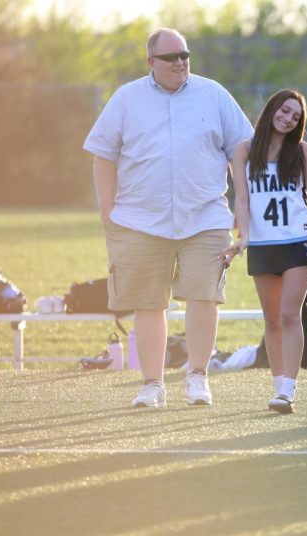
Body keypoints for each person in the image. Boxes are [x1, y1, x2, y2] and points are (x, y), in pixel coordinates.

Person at [83, 27, 254, 408]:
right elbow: (103, 155)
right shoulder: (127, 98)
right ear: (151, 62)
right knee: (148, 304)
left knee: (204, 297)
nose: (180, 63)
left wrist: (243, 210)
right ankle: (152, 384)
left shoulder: (214, 95)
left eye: (185, 55)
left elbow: (240, 154)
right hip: (140, 220)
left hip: (206, 216)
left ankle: (197, 377)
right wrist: (108, 212)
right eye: (171, 57)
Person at [219, 89, 307, 414]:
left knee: (289, 313)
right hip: (262, 243)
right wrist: (242, 237)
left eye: (296, 116)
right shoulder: (244, 150)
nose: (288, 119)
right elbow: (242, 199)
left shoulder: (302, 151)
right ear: (273, 109)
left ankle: (289, 390)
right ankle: (278, 389)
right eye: (285, 111)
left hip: (298, 240)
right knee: (272, 319)